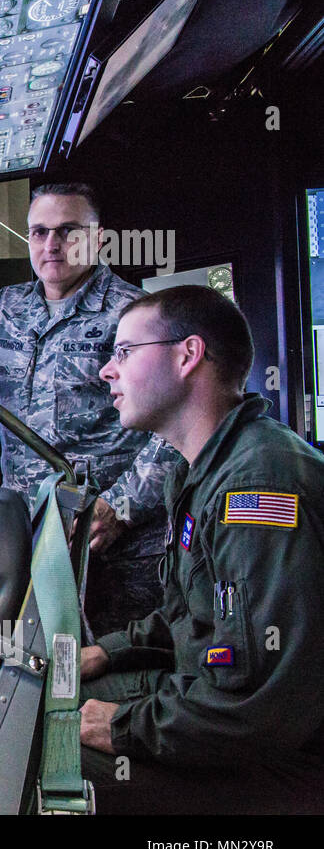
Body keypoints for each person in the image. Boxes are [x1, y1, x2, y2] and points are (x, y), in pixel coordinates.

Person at [78, 285, 324, 813]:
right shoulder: (201, 472)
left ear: (188, 355)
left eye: (124, 352)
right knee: (51, 706)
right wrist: (109, 652)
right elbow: (200, 619)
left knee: (50, 758)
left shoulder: (259, 483)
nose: (107, 371)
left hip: (279, 759)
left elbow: (258, 704)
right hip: (219, 703)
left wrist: (120, 728)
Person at [0, 183, 180, 637]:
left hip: (118, 548)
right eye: (38, 233)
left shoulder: (136, 315)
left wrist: (119, 508)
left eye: (67, 231)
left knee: (117, 679)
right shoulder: (3, 308)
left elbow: (176, 425)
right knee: (39, 681)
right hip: (30, 537)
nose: (51, 245)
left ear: (97, 238)